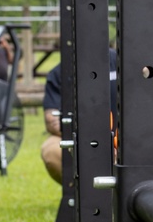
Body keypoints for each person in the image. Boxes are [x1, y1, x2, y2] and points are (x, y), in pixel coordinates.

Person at [41, 51, 118, 184]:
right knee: (50, 150)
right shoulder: (59, 73)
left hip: (125, 135)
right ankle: (79, 189)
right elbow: (51, 121)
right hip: (77, 135)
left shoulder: (120, 61)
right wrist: (85, 141)